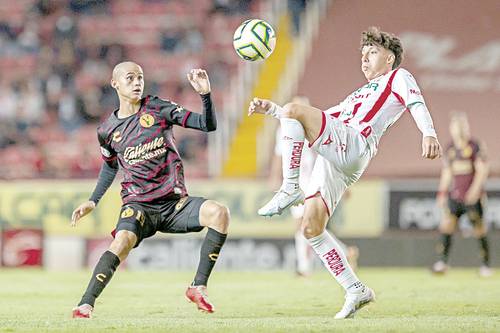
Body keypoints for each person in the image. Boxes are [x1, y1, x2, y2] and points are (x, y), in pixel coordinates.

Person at [248, 27, 441, 319]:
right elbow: (324, 116)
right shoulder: (359, 93)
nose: (364, 60)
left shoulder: (398, 77)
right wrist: (275, 110)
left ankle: (290, 188)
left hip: (355, 144)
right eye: (362, 55)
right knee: (311, 227)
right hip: (338, 159)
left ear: (390, 58)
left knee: (296, 109)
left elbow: (416, 102)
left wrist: (428, 133)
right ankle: (355, 289)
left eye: (372, 53)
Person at [70, 62, 229, 318]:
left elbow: (207, 125)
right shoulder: (107, 131)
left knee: (219, 213)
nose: (137, 83)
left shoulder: (158, 108)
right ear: (115, 83)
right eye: (130, 78)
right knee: (121, 242)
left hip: (174, 203)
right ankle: (85, 304)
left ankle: (198, 287)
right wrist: (93, 200)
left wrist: (205, 95)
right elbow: (110, 167)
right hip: (138, 205)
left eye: (140, 78)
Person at [271, 96, 358, 277]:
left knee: (306, 225)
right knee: (306, 226)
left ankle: (306, 267)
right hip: (298, 180)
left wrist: (343, 184)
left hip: (313, 181)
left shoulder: (313, 128)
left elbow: (330, 155)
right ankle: (341, 254)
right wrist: (275, 176)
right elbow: (280, 155)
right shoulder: (285, 129)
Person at [432, 112, 491, 277]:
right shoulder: (450, 149)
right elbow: (447, 173)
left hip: (473, 197)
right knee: (447, 226)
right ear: (451, 128)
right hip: (455, 196)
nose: (459, 129)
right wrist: (442, 193)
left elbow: (482, 171)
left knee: (479, 229)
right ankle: (442, 262)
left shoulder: (475, 146)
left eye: (462, 125)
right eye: (456, 126)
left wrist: (475, 190)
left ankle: (486, 266)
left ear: (467, 127)